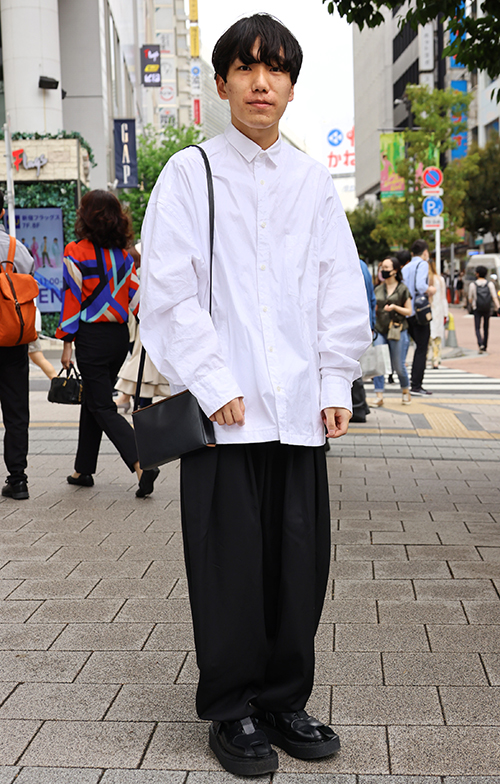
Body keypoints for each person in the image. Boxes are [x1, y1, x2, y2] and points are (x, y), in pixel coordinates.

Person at [140, 14, 371, 777]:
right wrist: (213, 381)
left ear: (292, 87)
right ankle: (232, 707)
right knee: (229, 567)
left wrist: (334, 380)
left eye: (275, 70)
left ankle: (282, 700)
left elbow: (338, 287)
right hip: (225, 419)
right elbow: (167, 290)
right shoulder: (191, 174)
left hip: (299, 411)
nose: (261, 82)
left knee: (299, 565)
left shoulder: (311, 182)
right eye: (245, 68)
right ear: (222, 83)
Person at [55, 190, 159, 498]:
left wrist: (66, 343)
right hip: (118, 338)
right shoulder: (124, 256)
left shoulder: (76, 251)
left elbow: (72, 299)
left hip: (92, 338)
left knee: (102, 405)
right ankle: (82, 469)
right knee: (94, 401)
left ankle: (142, 462)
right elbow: (137, 298)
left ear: (86, 216)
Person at [0, 191, 36, 500]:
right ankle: (18, 479)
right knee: (16, 412)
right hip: (13, 338)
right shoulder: (16, 248)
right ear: (2, 212)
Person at [371, 256, 412, 406]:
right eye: (382, 268)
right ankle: (379, 395)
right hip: (380, 329)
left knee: (399, 365)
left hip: (397, 330)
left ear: (395, 271)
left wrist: (395, 307)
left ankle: (405, 390)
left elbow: (409, 311)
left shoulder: (402, 289)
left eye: (386, 268)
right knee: (379, 362)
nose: (383, 270)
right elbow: (373, 308)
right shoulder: (378, 288)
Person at [402, 238, 436, 396]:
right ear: (425, 252)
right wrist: (431, 289)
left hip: (407, 311)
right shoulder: (423, 264)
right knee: (422, 348)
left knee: (409, 345)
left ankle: (407, 382)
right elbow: (421, 286)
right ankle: (416, 385)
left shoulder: (406, 267)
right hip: (419, 312)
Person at [351, 259, 375, 422]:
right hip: (361, 322)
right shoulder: (363, 265)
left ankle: (358, 407)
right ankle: (360, 406)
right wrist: (371, 324)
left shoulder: (346, 263)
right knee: (354, 363)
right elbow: (371, 298)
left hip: (348, 322)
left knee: (348, 364)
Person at [468, 265, 500, 353]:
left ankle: (480, 343)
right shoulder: (490, 284)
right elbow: (494, 297)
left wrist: (471, 304)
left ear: (477, 274)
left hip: (477, 308)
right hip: (487, 308)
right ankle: (485, 345)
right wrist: (498, 307)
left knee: (477, 327)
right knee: (486, 327)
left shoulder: (473, 285)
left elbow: (470, 298)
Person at [428, 259, 448, 368]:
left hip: (428, 310)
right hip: (438, 310)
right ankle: (436, 359)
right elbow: (443, 298)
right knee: (437, 337)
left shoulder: (425, 279)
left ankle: (425, 358)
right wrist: (445, 313)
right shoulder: (440, 279)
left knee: (427, 336)